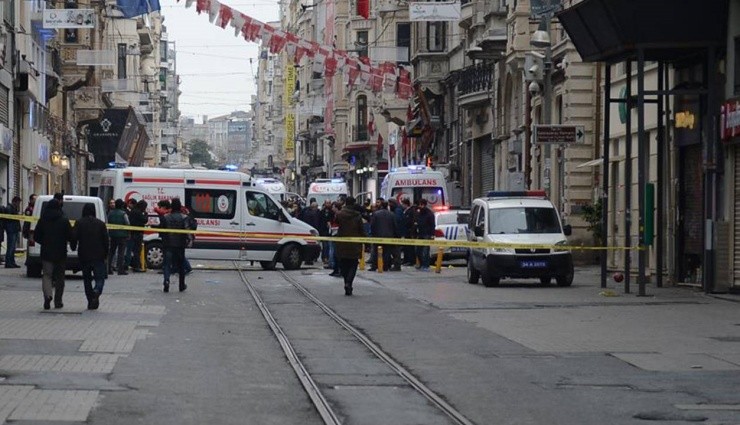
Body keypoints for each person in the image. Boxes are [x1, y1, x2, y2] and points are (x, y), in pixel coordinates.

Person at [33, 199, 72, 310]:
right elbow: (70, 236)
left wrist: (44, 242)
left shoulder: (43, 220)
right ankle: (58, 301)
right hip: (60, 253)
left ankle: (48, 296)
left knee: (47, 275)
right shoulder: (64, 220)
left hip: (46, 252)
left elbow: (36, 236)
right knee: (60, 277)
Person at [70, 203, 109, 310]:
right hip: (98, 255)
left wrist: (73, 247)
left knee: (87, 280)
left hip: (84, 255)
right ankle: (97, 290)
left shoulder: (79, 223)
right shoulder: (100, 224)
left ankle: (90, 300)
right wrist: (106, 254)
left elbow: (74, 237)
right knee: (99, 278)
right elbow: (106, 240)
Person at [159, 198, 196, 293]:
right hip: (180, 244)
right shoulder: (184, 217)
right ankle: (181, 285)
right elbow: (187, 230)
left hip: (168, 244)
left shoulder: (165, 217)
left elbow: (161, 231)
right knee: (181, 265)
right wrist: (190, 240)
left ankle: (166, 281)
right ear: (180, 206)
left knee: (167, 264)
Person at [335, 197, 365, 296]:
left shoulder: (339, 214)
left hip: (342, 243)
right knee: (353, 264)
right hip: (355, 244)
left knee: (344, 264)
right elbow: (361, 229)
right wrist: (366, 241)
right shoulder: (357, 216)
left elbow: (335, 223)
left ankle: (346, 282)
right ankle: (349, 283)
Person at [369, 200, 397, 271]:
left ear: (381, 206)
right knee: (387, 252)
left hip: (378, 236)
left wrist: (372, 234)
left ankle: (374, 266)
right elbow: (395, 225)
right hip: (389, 236)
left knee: (376, 251)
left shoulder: (376, 214)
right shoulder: (392, 214)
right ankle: (385, 266)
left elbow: (372, 225)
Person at [107, 199, 130, 275]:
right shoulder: (123, 214)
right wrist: (128, 233)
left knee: (111, 252)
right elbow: (127, 224)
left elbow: (108, 222)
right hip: (122, 236)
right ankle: (120, 269)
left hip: (112, 235)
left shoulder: (110, 213)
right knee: (121, 253)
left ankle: (108, 268)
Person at [127, 199, 148, 272]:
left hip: (132, 232)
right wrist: (146, 214)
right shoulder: (139, 212)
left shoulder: (132, 211)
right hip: (138, 233)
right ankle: (137, 266)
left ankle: (133, 265)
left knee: (132, 250)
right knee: (137, 250)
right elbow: (145, 220)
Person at [414, 198, 435, 271]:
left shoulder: (429, 213)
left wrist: (432, 234)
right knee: (417, 250)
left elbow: (432, 225)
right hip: (420, 233)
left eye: (421, 205)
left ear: (424, 205)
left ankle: (426, 265)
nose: (420, 206)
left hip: (426, 234)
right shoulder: (419, 213)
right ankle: (421, 263)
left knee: (425, 251)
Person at [3, 196, 21, 268]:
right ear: (15, 202)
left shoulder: (14, 208)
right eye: (18, 202)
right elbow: (9, 220)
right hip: (11, 230)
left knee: (13, 247)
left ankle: (12, 262)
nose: (19, 204)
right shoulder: (9, 208)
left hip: (14, 229)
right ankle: (8, 262)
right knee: (10, 247)